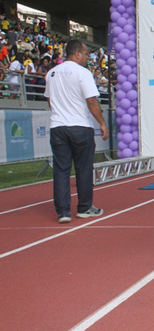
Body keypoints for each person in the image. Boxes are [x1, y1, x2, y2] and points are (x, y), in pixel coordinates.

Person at [44, 39, 109, 223]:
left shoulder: (52, 73)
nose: (87, 57)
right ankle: (84, 207)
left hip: (58, 126)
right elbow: (91, 100)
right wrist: (102, 122)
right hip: (80, 126)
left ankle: (63, 211)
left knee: (61, 170)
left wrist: (60, 112)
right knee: (83, 168)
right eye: (86, 53)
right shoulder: (82, 72)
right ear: (77, 53)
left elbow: (49, 100)